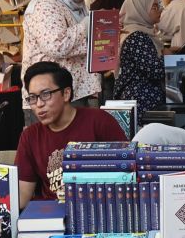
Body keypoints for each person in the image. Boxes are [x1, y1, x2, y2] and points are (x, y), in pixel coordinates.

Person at [14, 61, 126, 205]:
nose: (39, 104)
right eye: (33, 98)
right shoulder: (30, 136)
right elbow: (23, 193)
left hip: (97, 210)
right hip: (51, 216)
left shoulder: (99, 122)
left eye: (46, 94)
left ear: (66, 94)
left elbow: (126, 172)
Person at [21, 0, 98, 110]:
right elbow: (57, 46)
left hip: (73, 92)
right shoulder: (44, 6)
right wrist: (88, 24)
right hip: (49, 97)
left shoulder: (75, 5)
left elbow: (82, 42)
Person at [113, 0, 166, 114]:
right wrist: (167, 56)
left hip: (140, 100)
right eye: (154, 7)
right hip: (141, 102)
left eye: (159, 6)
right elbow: (155, 71)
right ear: (140, 9)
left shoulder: (137, 32)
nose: (160, 10)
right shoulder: (137, 37)